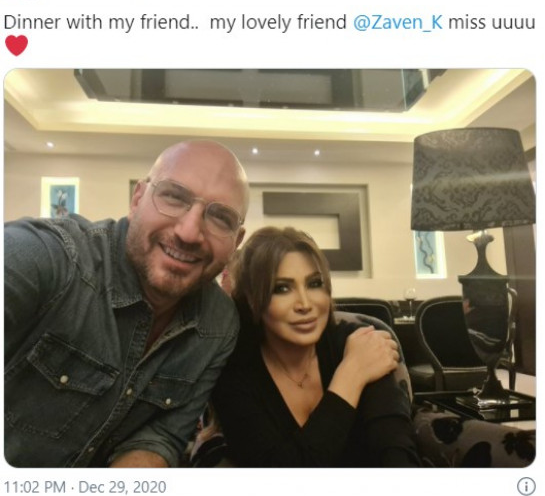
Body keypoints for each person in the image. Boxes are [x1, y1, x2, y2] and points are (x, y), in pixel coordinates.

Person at [4, 141, 249, 467]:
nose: (189, 233)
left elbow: (161, 435)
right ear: (137, 199)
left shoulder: (219, 325)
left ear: (236, 242)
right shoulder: (53, 258)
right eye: (174, 198)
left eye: (220, 218)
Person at [212, 227, 420, 467]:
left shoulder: (360, 342)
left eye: (314, 283)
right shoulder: (234, 370)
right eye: (282, 288)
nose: (305, 304)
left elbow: (396, 451)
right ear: (251, 299)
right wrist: (351, 375)